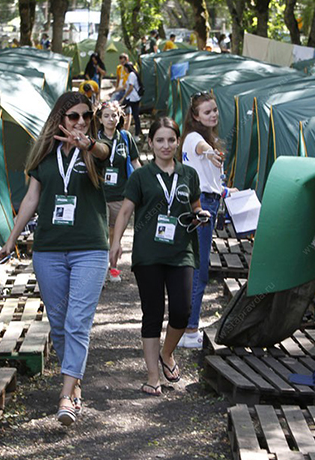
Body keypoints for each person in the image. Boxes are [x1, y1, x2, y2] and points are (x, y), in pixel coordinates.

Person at [0, 92, 111, 426]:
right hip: (48, 250)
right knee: (59, 323)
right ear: (60, 118)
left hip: (90, 248)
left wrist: (87, 143)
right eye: (72, 116)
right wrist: (10, 240)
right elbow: (31, 199)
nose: (79, 122)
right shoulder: (45, 156)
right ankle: (75, 386)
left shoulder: (96, 150)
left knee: (78, 321)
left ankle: (65, 395)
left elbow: (102, 150)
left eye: (85, 116)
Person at [110, 117, 210, 396]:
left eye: (170, 140)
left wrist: (200, 216)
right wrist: (116, 242)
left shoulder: (189, 174)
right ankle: (153, 377)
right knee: (152, 313)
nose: (166, 145)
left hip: (181, 252)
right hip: (149, 254)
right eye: (160, 140)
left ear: (178, 142)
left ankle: (167, 353)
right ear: (151, 143)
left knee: (182, 310)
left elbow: (195, 206)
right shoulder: (141, 176)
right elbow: (126, 211)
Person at [179, 92, 236, 348]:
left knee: (197, 268)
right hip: (201, 205)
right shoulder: (195, 139)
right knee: (199, 271)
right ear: (195, 116)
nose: (213, 114)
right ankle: (189, 330)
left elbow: (207, 178)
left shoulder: (205, 138)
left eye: (214, 110)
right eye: (206, 112)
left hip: (209, 200)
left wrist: (225, 191)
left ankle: (186, 328)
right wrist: (211, 152)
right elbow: (202, 151)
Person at [96, 101, 142, 283]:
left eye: (114, 115)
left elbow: (135, 162)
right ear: (99, 119)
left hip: (120, 194)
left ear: (119, 117)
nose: (110, 119)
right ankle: (100, 270)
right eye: (106, 115)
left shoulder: (125, 137)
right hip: (99, 194)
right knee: (101, 234)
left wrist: (145, 180)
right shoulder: (95, 139)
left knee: (116, 234)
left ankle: (113, 267)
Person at [118, 62, 142, 138]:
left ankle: (119, 129)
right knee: (135, 116)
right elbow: (125, 86)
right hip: (135, 98)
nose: (124, 70)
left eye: (125, 68)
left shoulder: (131, 75)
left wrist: (123, 98)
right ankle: (137, 133)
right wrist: (115, 91)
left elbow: (130, 88)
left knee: (119, 109)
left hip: (132, 98)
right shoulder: (133, 74)